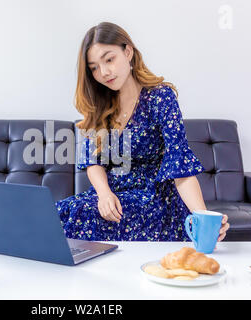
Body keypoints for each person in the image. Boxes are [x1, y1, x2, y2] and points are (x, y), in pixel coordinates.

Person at [55, 22, 229, 242]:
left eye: (109, 59)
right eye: (94, 67)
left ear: (128, 52)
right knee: (59, 212)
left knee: (85, 214)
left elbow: (180, 165)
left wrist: (202, 217)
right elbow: (93, 162)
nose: (104, 72)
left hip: (153, 199)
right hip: (112, 195)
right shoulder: (100, 106)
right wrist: (104, 194)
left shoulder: (160, 97)